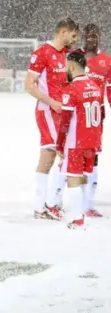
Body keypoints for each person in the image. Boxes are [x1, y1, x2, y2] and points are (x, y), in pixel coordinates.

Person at [50, 23, 110, 218]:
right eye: (89, 36)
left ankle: (87, 204)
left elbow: (109, 90)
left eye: (96, 36)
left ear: (100, 37)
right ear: (84, 37)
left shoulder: (106, 61)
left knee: (92, 159)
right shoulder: (75, 56)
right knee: (68, 158)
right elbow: (63, 84)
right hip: (75, 115)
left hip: (94, 119)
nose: (92, 39)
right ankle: (56, 199)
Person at [25, 17, 79, 220]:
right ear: (63, 31)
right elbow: (30, 85)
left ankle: (50, 203)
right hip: (47, 111)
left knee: (60, 156)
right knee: (52, 155)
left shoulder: (67, 55)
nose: (74, 39)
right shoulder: (42, 53)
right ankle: (44, 206)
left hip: (63, 111)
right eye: (73, 35)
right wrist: (52, 102)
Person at [55, 51, 104, 229]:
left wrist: (59, 145)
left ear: (73, 66)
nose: (65, 69)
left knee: (73, 179)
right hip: (92, 141)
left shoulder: (71, 90)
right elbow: (102, 116)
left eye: (66, 65)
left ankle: (78, 219)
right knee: (82, 178)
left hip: (76, 142)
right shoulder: (96, 86)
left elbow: (65, 122)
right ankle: (82, 213)